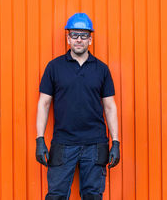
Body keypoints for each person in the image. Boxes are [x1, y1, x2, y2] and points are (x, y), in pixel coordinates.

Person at [35, 13, 120, 200]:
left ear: (90, 39)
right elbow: (44, 103)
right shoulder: (54, 67)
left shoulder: (102, 69)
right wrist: (39, 139)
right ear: (68, 38)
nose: (79, 39)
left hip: (95, 144)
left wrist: (115, 142)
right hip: (63, 143)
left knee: (92, 196)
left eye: (83, 35)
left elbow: (110, 107)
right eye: (74, 35)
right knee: (56, 196)